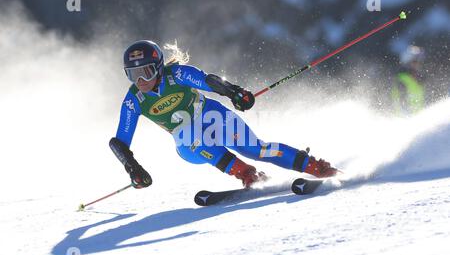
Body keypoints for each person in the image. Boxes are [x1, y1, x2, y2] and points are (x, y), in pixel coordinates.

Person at [109, 40, 339, 189]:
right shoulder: (134, 101)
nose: (141, 81)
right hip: (190, 146)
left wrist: (235, 92)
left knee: (255, 149)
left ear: (158, 68)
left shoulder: (176, 74)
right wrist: (133, 167)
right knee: (188, 134)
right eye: (133, 75)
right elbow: (119, 141)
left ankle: (314, 167)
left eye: (146, 72)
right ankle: (247, 174)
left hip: (213, 116)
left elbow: (207, 80)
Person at [391, 45, 426, 115]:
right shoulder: (402, 79)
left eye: (420, 62)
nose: (418, 65)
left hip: (418, 119)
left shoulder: (419, 80)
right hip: (404, 120)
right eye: (415, 62)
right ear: (407, 63)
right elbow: (401, 102)